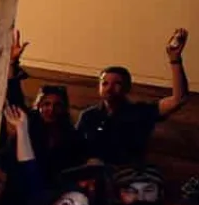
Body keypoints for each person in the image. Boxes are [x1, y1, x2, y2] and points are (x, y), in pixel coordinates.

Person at [74, 30, 189, 165]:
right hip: (92, 172)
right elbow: (75, 147)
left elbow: (178, 99)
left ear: (127, 88)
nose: (109, 88)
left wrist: (175, 60)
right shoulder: (88, 116)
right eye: (105, 83)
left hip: (129, 173)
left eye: (117, 84)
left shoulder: (140, 112)